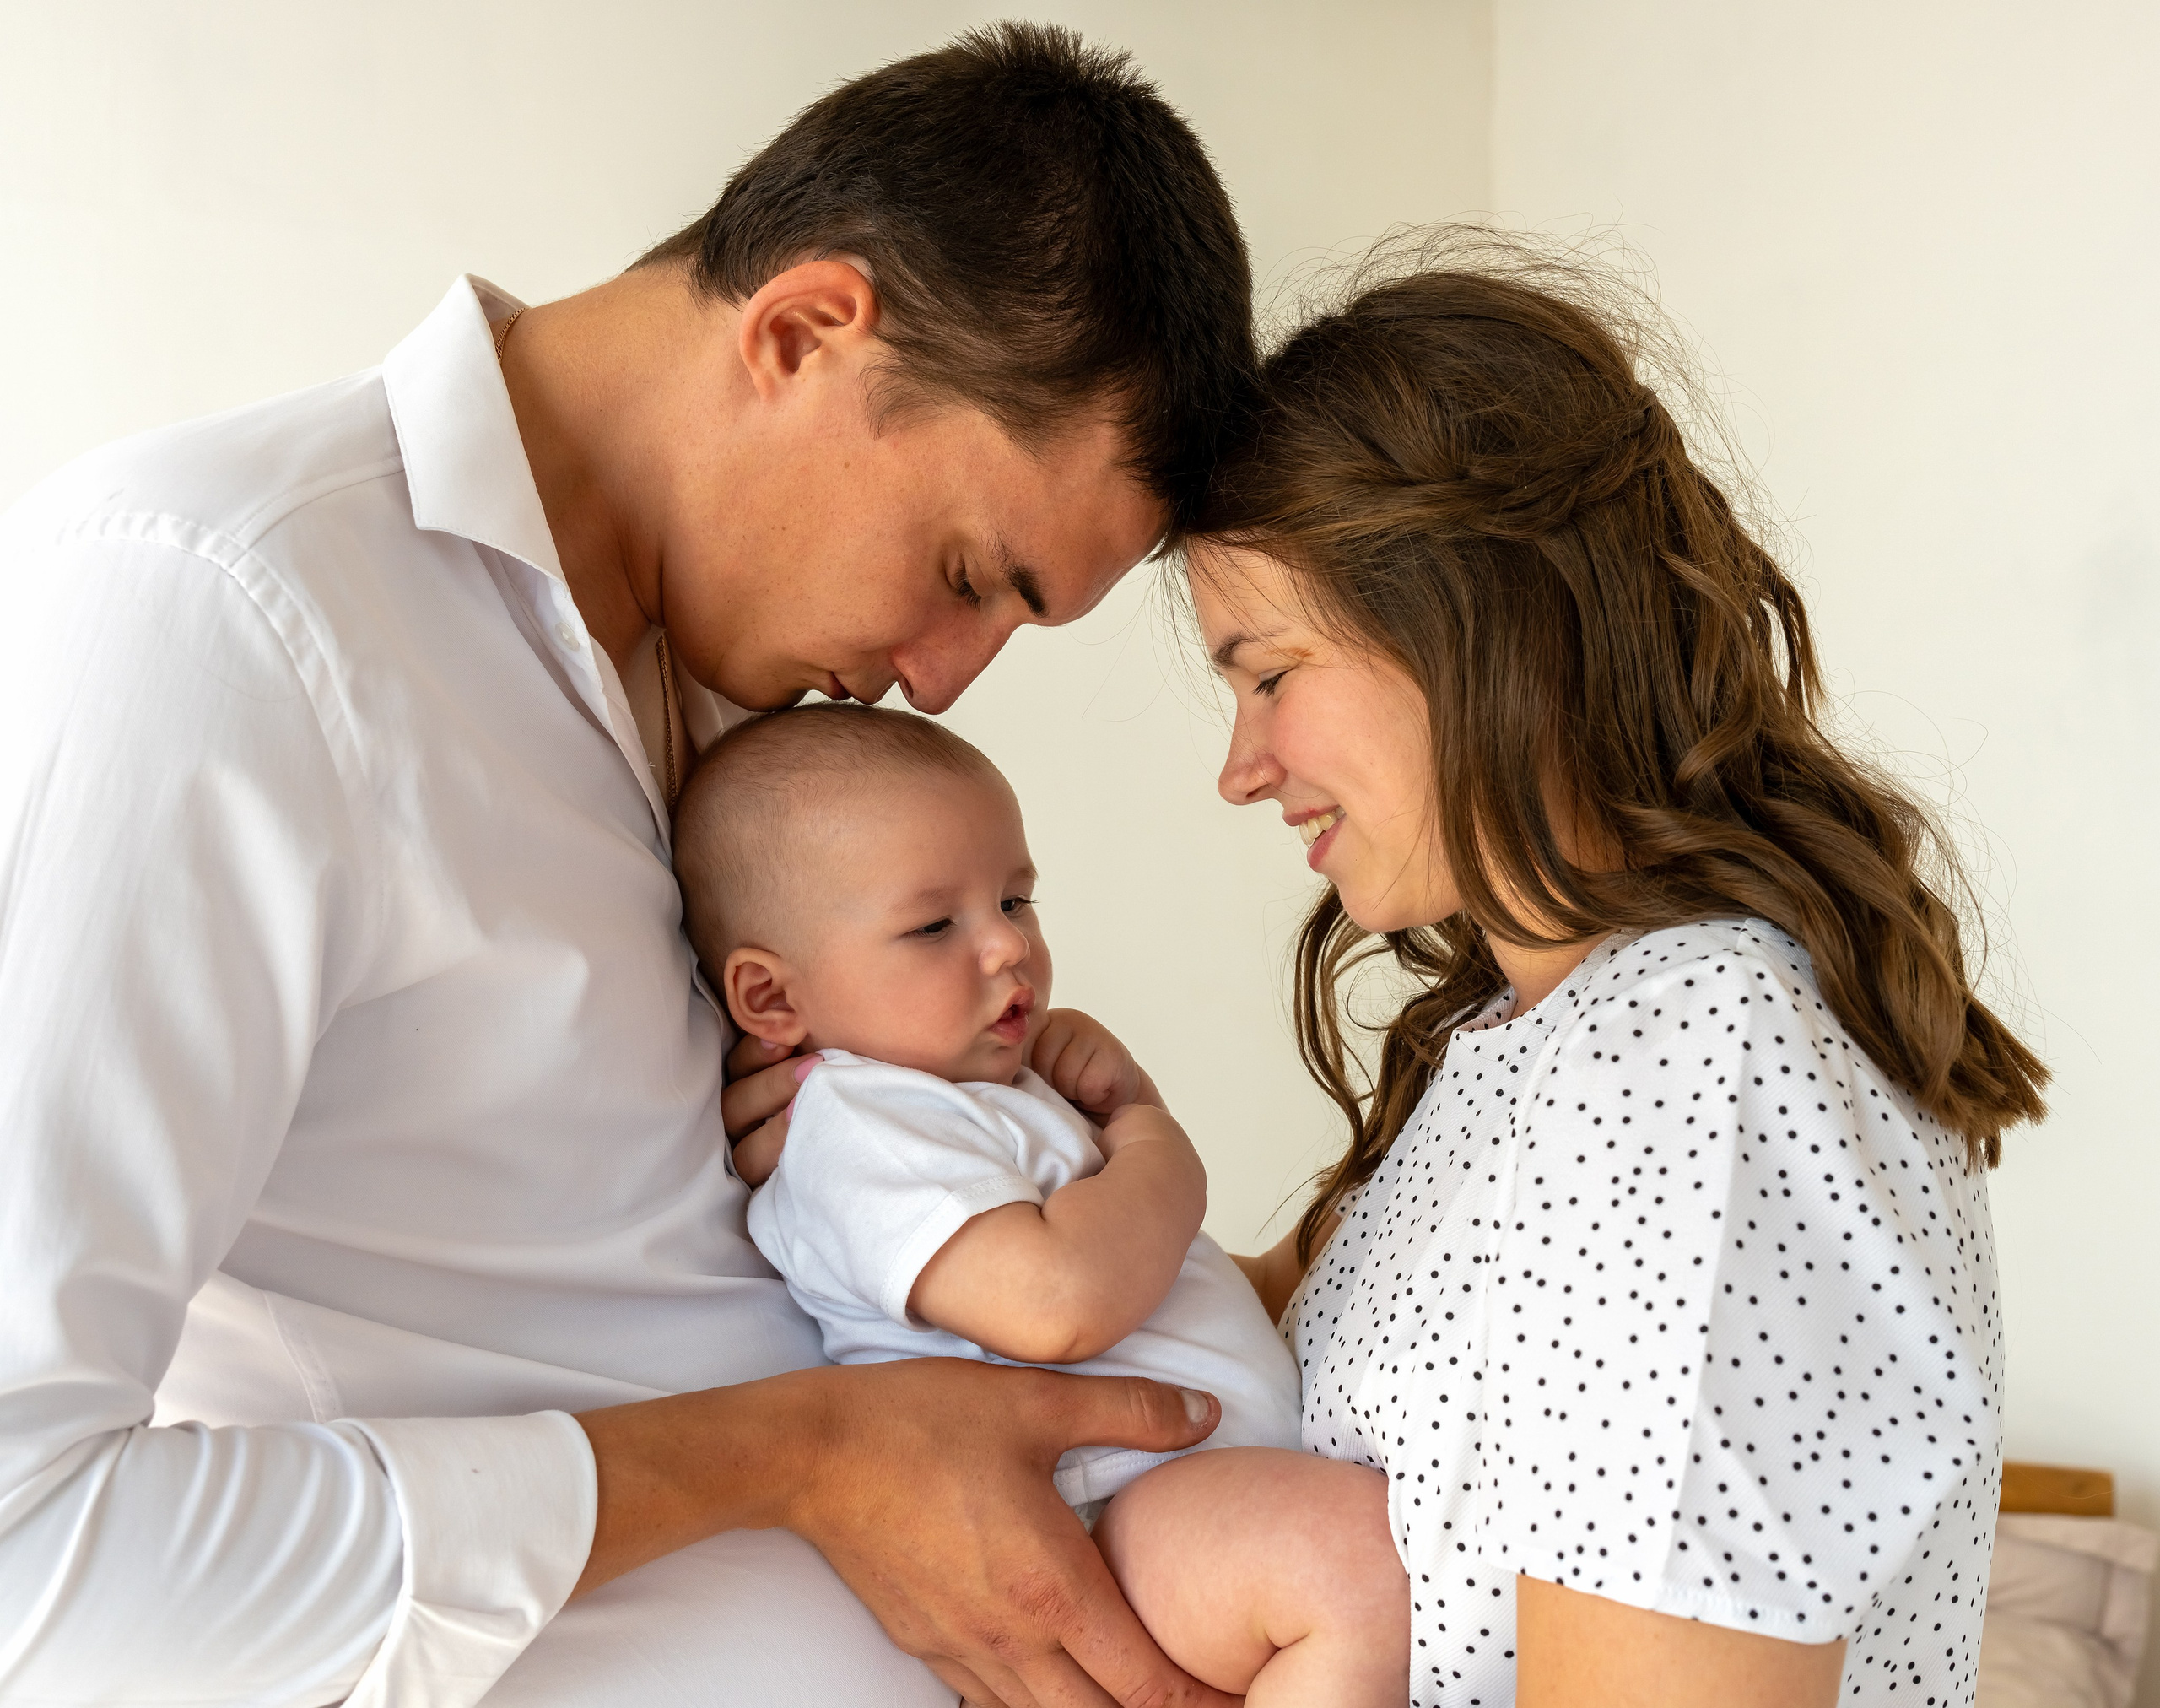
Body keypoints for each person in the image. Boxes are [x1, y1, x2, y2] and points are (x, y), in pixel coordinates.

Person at [0, 25, 1260, 1708]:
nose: (948, 683)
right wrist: (801, 1453)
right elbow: (25, 1558)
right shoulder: (220, 619)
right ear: (804, 330)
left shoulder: (749, 737)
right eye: (968, 572)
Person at [1185, 234, 2050, 1707]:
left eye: (1270, 672)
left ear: (1475, 617)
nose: (1242, 767)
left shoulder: (1697, 1054)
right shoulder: (1527, 1043)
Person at [672, 700, 1409, 1705]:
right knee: (1356, 1574)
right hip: (1097, 1515)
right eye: (934, 924)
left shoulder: (965, 1098)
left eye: (1015, 901)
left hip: (1166, 1493)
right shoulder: (855, 1119)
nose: (1006, 948)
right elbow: (1054, 1299)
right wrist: (1151, 1137)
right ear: (770, 999)